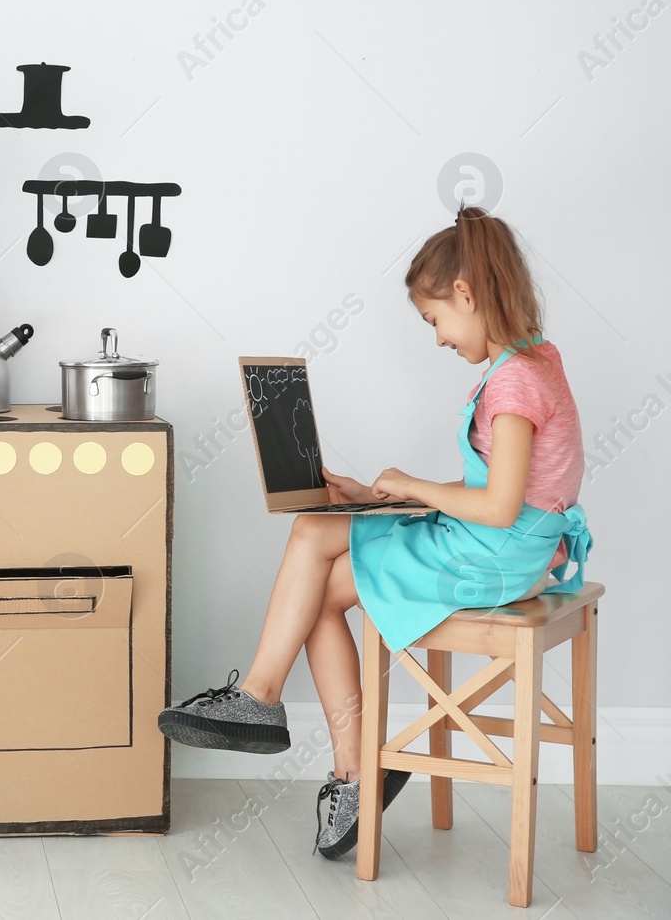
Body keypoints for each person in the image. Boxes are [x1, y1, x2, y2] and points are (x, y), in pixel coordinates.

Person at [158, 206, 593, 859]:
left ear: (467, 295)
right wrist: (375, 497)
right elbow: (505, 494)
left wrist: (414, 487)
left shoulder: (515, 383)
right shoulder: (534, 361)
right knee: (325, 576)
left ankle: (264, 701)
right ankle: (348, 767)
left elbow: (500, 506)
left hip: (499, 554)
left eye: (435, 318)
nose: (439, 337)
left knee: (312, 533)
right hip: (512, 548)